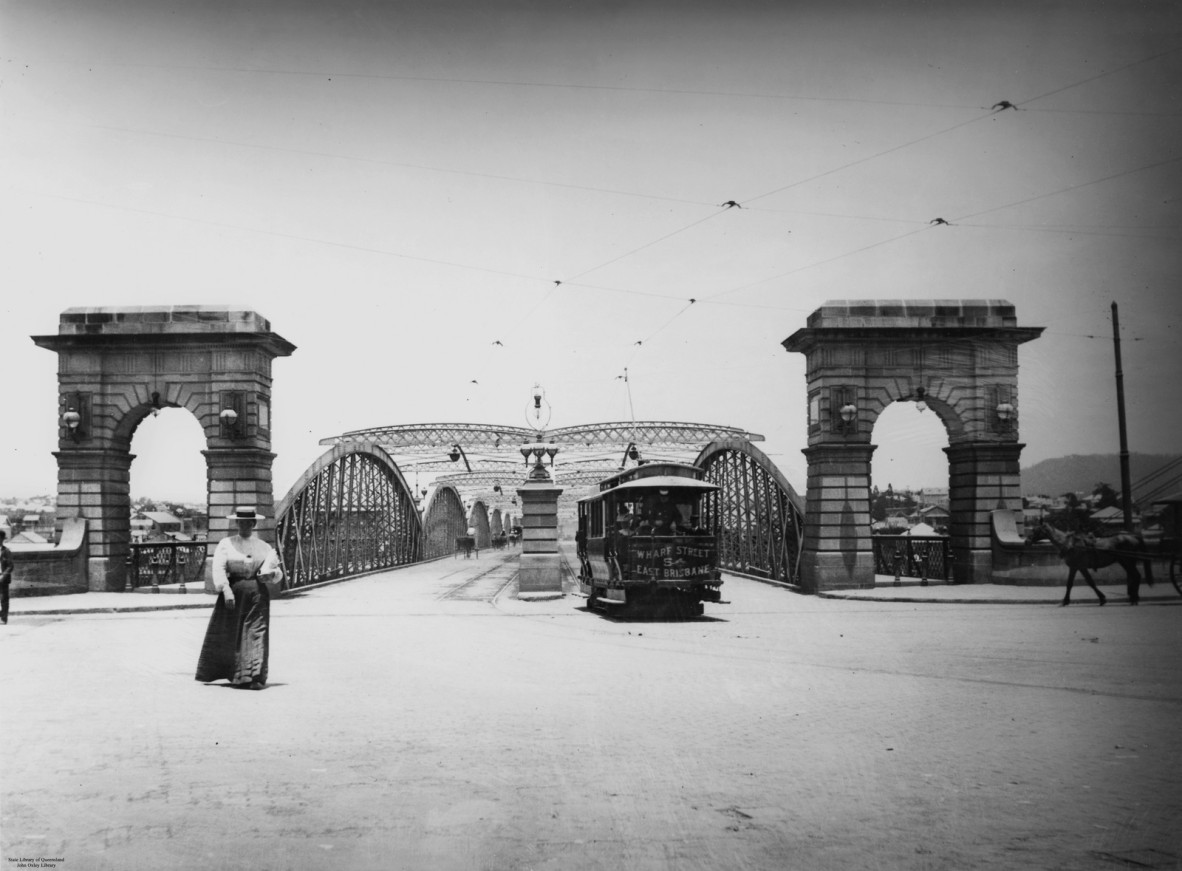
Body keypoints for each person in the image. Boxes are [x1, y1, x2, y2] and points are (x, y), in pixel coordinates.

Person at [195, 506, 283, 689]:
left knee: (256, 632)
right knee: (233, 634)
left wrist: (272, 575)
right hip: (234, 592)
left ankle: (254, 677)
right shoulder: (226, 544)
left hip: (258, 593)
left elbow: (277, 571)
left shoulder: (264, 546)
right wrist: (225, 590)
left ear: (253, 524)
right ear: (237, 523)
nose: (244, 526)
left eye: (248, 523)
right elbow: (218, 568)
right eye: (241, 523)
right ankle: (236, 675)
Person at [0, 530, 12, 625]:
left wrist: (3, 576)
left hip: (2, 578)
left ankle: (3, 619)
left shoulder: (6, 551)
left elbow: (10, 565)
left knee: (4, 599)